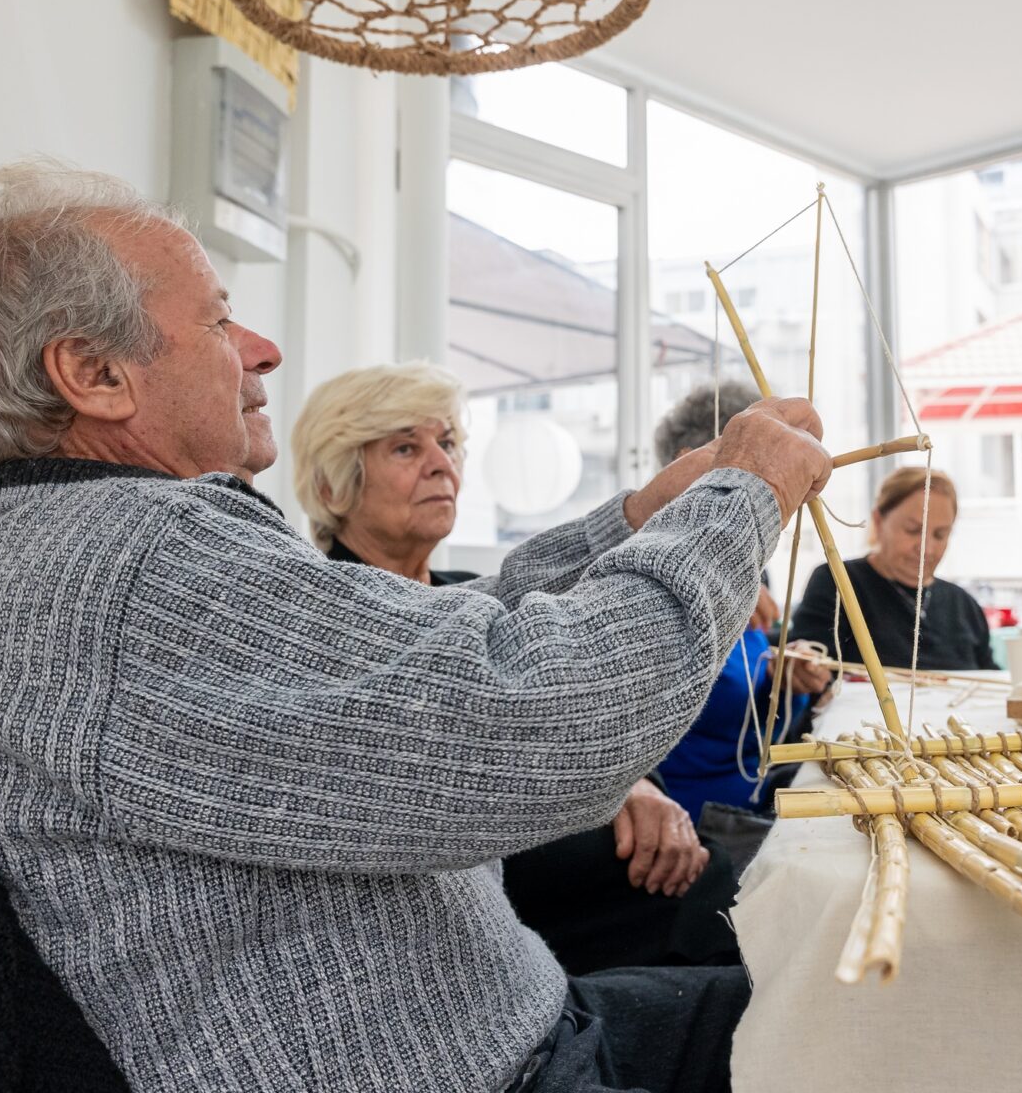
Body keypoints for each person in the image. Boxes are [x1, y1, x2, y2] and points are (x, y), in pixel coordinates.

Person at [0, 160, 833, 1093]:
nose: (263, 349)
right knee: (865, 1007)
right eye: (220, 322)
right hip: (494, 1072)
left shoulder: (88, 558)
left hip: (521, 1023)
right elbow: (553, 720)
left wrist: (638, 520)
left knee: (833, 988)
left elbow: (444, 635)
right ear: (94, 374)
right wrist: (742, 498)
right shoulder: (138, 564)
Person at [291, 363, 742, 975]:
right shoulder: (327, 621)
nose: (442, 464)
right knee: (725, 900)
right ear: (332, 483)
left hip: (588, 858)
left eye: (447, 442)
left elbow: (581, 698)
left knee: (729, 876)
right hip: (479, 901)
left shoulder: (476, 594)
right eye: (405, 447)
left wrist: (638, 784)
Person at [646, 382, 832, 827]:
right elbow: (676, 700)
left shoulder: (747, 570)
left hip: (756, 795)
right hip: (683, 815)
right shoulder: (647, 571)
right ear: (689, 463)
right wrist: (709, 593)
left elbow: (747, 687)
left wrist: (783, 678)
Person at [788, 466, 993, 672]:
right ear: (879, 521)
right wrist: (806, 667)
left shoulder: (964, 605)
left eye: (940, 535)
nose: (927, 548)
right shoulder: (838, 582)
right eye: (913, 530)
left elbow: (992, 675)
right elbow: (808, 662)